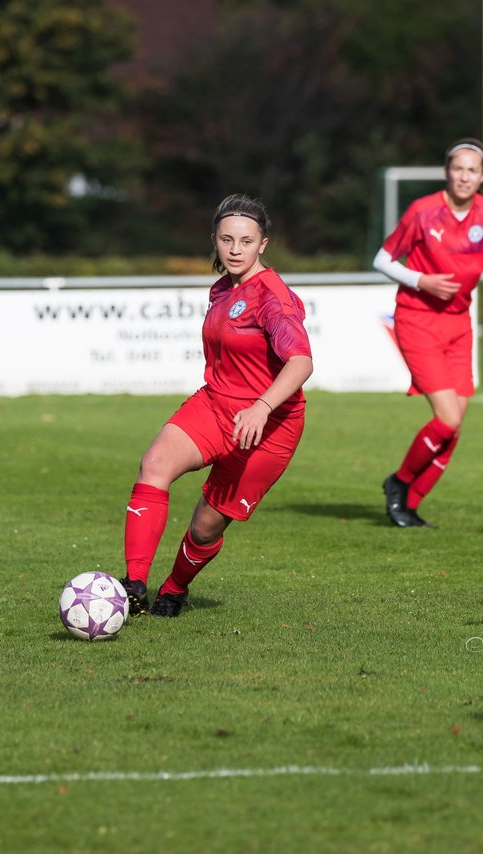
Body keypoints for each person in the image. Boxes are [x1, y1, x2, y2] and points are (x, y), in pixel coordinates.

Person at [118, 194, 313, 618]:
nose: (235, 249)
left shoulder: (273, 298)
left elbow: (300, 362)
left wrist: (261, 406)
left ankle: (173, 589)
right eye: (227, 240)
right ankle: (133, 585)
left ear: (263, 243)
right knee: (154, 465)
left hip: (269, 425)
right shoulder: (222, 286)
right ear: (215, 240)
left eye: (246, 241)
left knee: (206, 525)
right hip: (215, 404)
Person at [374, 138, 483, 528]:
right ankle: (399, 483)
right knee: (448, 417)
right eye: (458, 168)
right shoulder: (423, 211)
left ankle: (409, 504)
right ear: (447, 172)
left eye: (473, 170)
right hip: (417, 319)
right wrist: (421, 280)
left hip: (459, 325)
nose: (465, 176)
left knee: (454, 427)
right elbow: (382, 258)